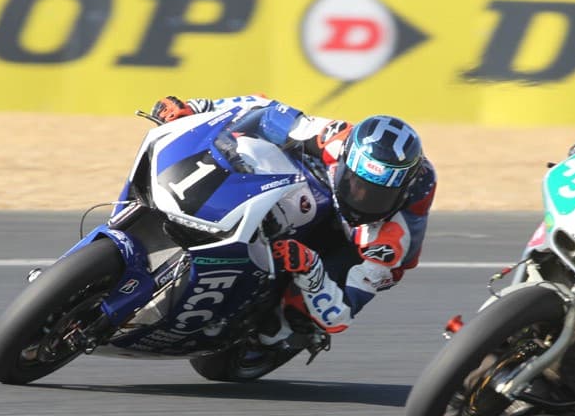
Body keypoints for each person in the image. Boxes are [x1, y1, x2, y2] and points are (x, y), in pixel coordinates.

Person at [149, 95, 436, 345]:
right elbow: (265, 109)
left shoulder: (390, 242)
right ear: (346, 159)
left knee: (292, 319)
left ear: (402, 192)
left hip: (360, 240)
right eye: (354, 183)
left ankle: (287, 331)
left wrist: (312, 269)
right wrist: (198, 108)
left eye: (375, 195)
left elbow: (340, 317)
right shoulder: (337, 138)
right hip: (318, 184)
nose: (360, 197)